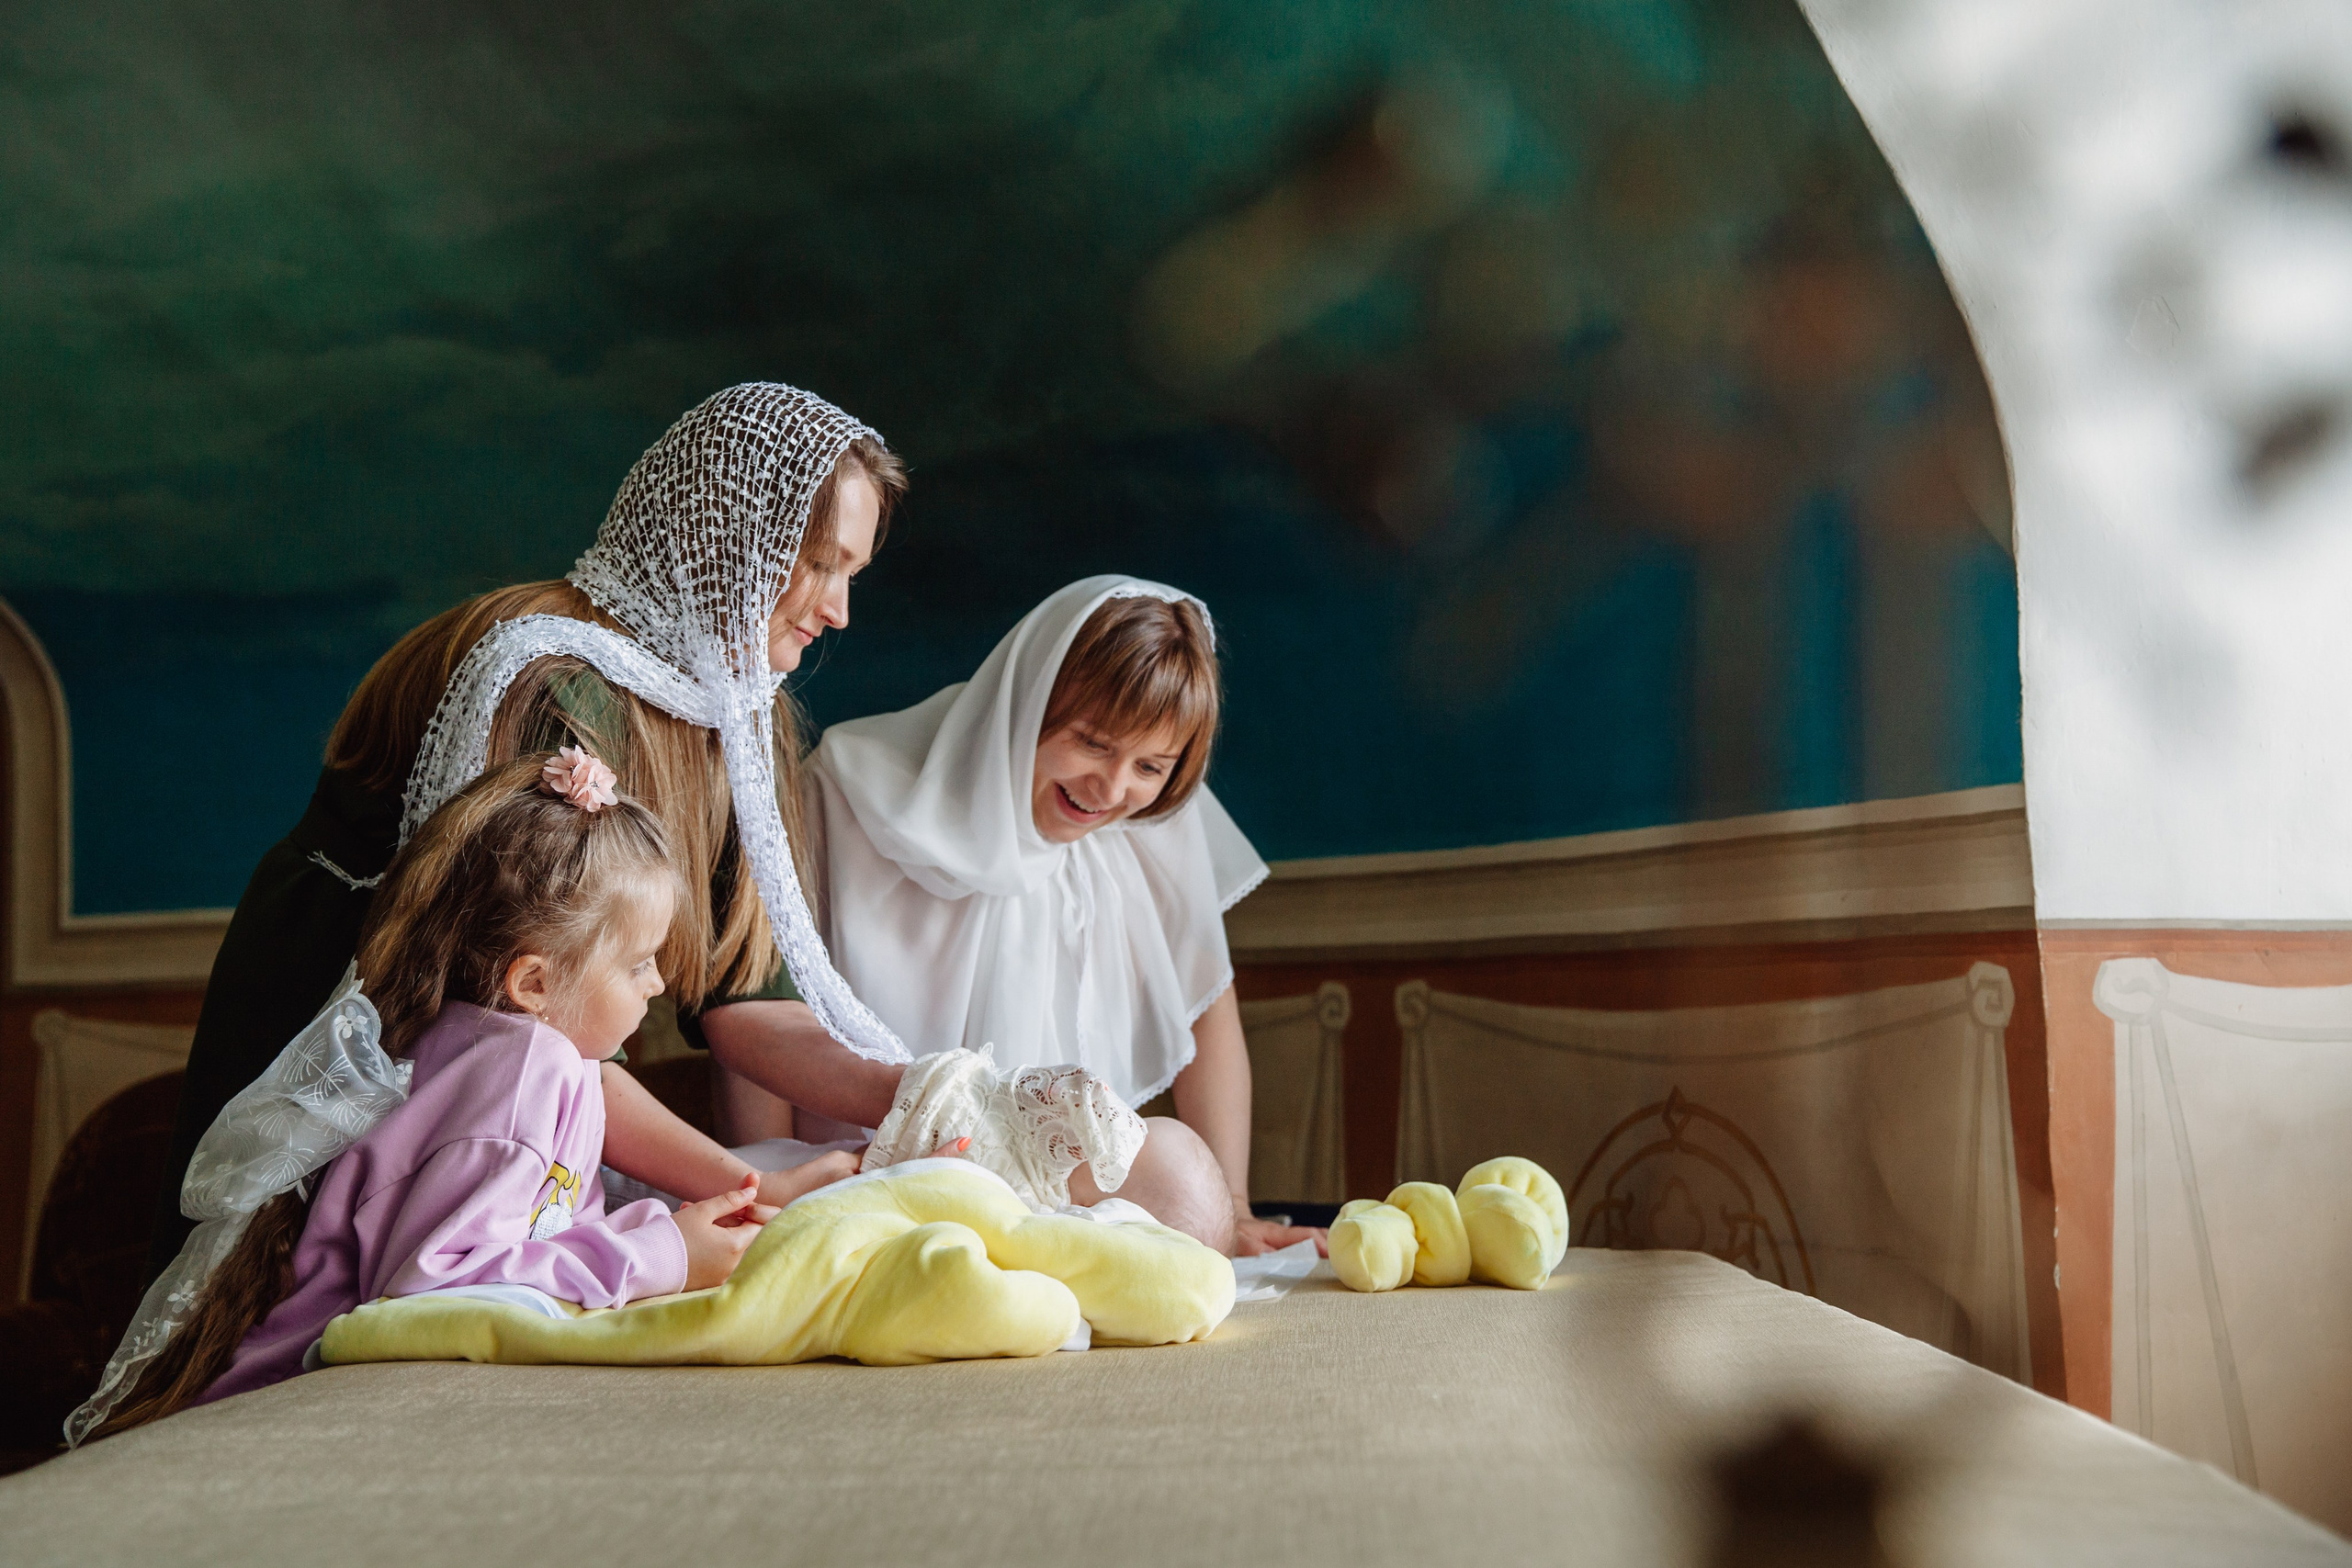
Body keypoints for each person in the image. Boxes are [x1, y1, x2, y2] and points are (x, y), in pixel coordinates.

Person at [147, 383, 904, 1283]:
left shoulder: (735, 715)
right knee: (300, 1315)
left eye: (850, 573)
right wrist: (748, 1186)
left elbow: (745, 1001)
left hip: (516, 1074)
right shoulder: (549, 687)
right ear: (728, 538)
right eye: (819, 564)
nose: (837, 611)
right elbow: (531, 1029)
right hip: (355, 1038)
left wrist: (928, 1096)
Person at [86, 753, 856, 1438]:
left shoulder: (521, 1053)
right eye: (639, 964)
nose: (658, 986)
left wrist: (718, 1211)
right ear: (534, 983)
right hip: (298, 1414)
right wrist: (662, 1253)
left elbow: (532, 1227)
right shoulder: (523, 1076)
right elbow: (432, 1290)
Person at [707, 576, 1325, 1257]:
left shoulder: (1150, 829)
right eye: (1092, 742)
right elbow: (758, 1002)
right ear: (1027, 702)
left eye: (1151, 765)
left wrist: (1232, 1208)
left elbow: (1206, 1009)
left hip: (1049, 1209)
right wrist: (760, 1182)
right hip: (857, 1195)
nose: (1113, 789)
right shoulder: (849, 790)